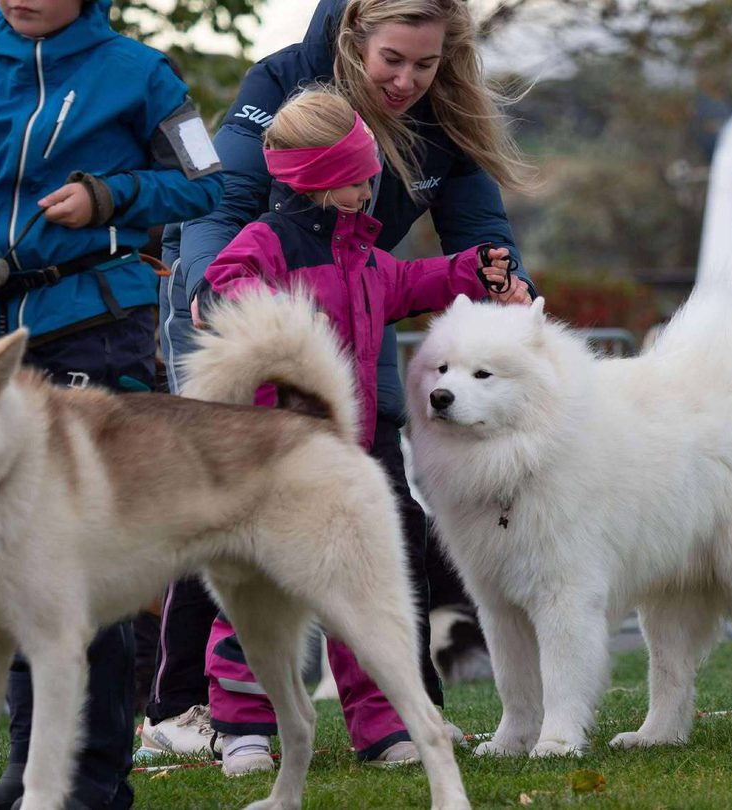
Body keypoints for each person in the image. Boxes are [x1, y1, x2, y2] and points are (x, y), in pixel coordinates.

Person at [145, 0, 534, 767]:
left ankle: (397, 710)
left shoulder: (443, 110)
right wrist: (216, 291)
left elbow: (472, 233)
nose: (407, 80)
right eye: (393, 60)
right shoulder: (282, 81)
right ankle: (185, 706)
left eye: (426, 64)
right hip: (234, 304)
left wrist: (501, 278)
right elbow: (222, 204)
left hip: (354, 289)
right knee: (233, 519)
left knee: (382, 511)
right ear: (356, 39)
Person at [0, 0, 223, 807]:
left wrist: (109, 196)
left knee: (84, 562)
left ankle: (91, 780)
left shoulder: (143, 73)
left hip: (101, 331)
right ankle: (29, 773)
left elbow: (205, 183)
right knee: (8, 558)